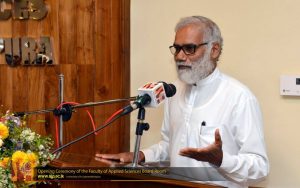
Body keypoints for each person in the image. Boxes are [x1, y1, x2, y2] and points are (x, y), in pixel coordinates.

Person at [95, 16, 269, 188]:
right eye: (177, 48)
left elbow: (260, 168)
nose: (179, 56)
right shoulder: (175, 90)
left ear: (214, 50)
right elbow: (171, 145)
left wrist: (222, 160)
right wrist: (140, 155)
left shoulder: (239, 97)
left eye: (189, 48)